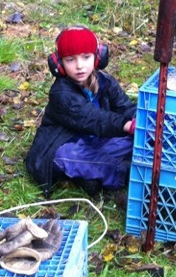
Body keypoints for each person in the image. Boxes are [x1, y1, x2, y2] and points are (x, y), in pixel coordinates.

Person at [25, 26, 136, 198]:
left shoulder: (106, 82)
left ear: (97, 57)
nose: (79, 66)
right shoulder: (61, 93)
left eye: (86, 57)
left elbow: (125, 108)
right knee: (66, 156)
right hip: (63, 146)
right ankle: (125, 172)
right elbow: (93, 118)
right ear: (59, 64)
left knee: (133, 140)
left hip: (95, 141)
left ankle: (90, 175)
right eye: (70, 60)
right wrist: (126, 125)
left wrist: (139, 122)